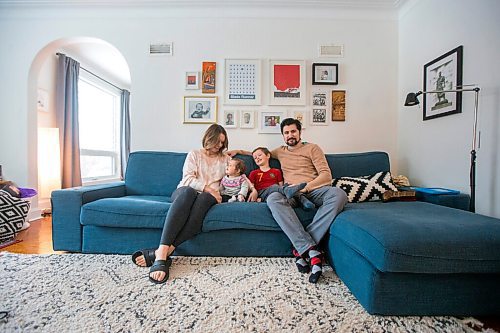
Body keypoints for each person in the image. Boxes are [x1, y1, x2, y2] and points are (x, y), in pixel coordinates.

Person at [230, 118, 348, 284]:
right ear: (283, 135)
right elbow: (261, 154)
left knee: (339, 194)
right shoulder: (280, 151)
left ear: (300, 132)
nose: (290, 135)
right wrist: (239, 151)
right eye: (286, 133)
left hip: (312, 189)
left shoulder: (313, 148)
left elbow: (326, 176)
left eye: (293, 131)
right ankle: (310, 248)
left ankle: (302, 248)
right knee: (273, 198)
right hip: (289, 192)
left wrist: (305, 188)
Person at [131, 124, 230, 284]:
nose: (219, 146)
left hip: (207, 198)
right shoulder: (195, 154)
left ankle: (161, 253)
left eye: (222, 143)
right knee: (188, 192)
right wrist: (208, 189)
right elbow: (188, 179)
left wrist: (215, 193)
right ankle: (163, 251)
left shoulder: (226, 159)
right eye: (217, 141)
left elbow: (232, 177)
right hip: (186, 193)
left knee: (204, 199)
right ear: (208, 138)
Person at [248, 147, 314, 210]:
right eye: (255, 158)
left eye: (259, 155)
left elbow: (281, 185)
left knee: (288, 187)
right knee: (276, 187)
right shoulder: (254, 173)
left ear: (268, 155)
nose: (257, 158)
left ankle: (304, 202)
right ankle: (290, 193)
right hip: (262, 193)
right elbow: (251, 188)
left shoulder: (276, 171)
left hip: (277, 192)